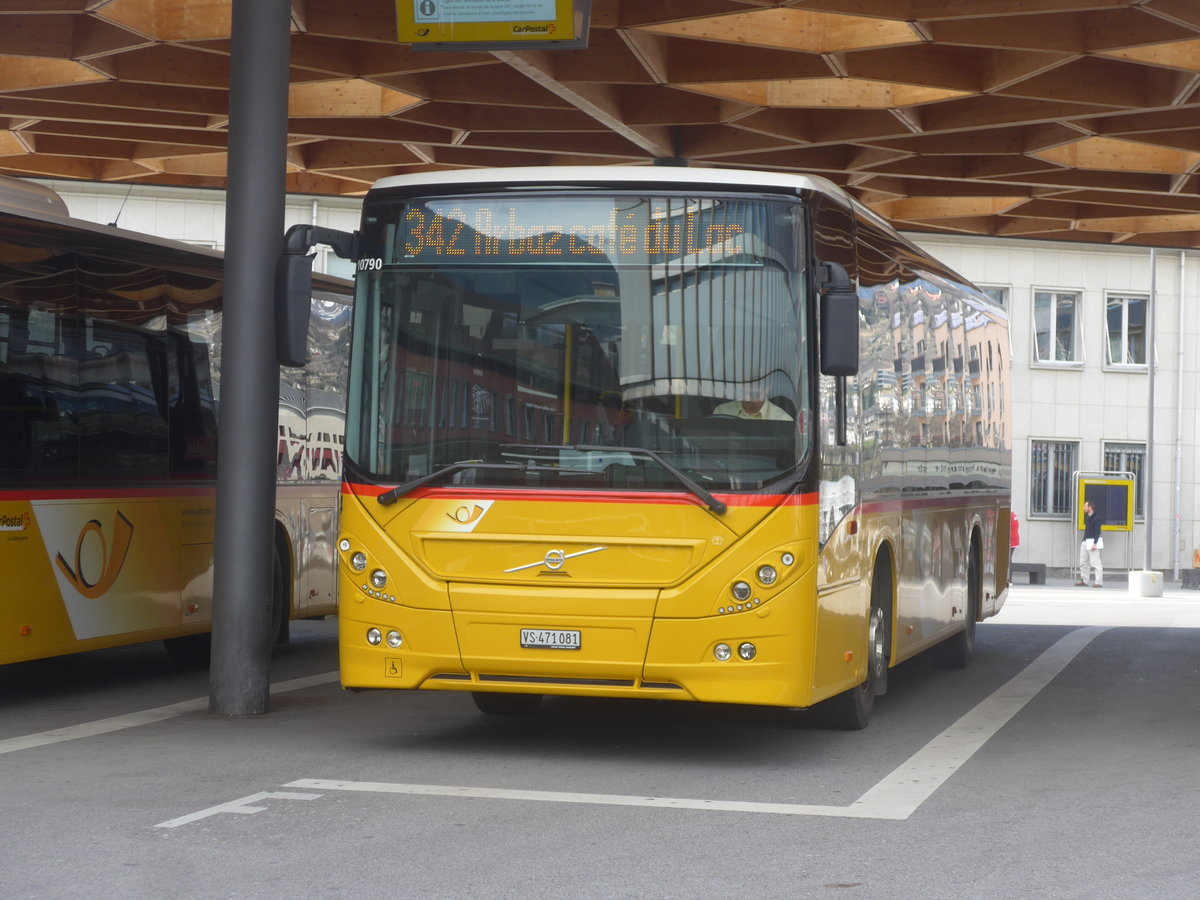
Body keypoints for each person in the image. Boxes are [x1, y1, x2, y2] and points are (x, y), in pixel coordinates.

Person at [1076, 499, 1103, 588]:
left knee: (1095, 562)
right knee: (1083, 562)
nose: (1084, 508)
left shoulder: (1097, 518)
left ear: (1090, 507)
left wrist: (1095, 543)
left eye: (1085, 506)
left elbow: (1097, 531)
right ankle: (1084, 580)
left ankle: (1098, 582)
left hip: (1092, 542)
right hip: (1085, 541)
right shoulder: (1087, 518)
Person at [712, 391, 792, 421]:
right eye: (744, 392)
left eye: (753, 394)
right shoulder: (721, 412)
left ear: (767, 388)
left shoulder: (783, 420)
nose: (746, 398)